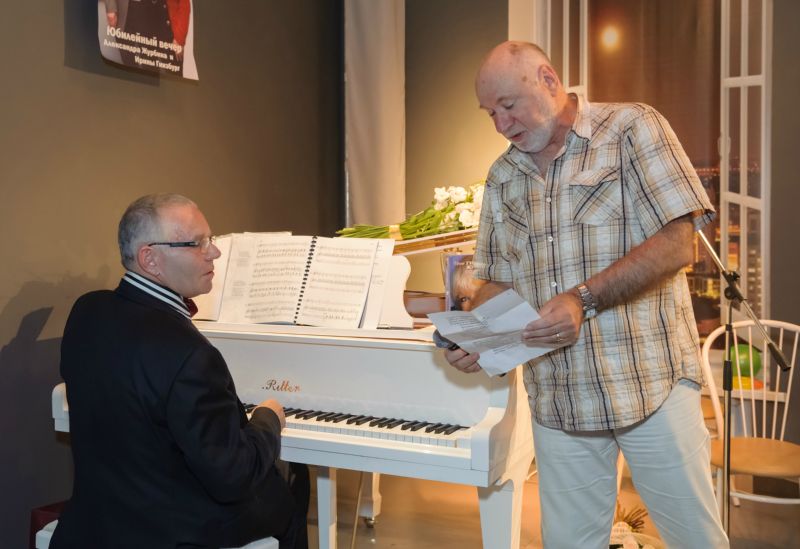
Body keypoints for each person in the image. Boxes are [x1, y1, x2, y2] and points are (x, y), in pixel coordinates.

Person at [444, 41, 729, 548]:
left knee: (697, 541)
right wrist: (476, 336)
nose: (501, 125)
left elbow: (677, 242)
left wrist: (583, 298)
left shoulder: (632, 128)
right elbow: (498, 281)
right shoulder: (503, 176)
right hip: (560, 400)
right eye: (491, 113)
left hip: (650, 384)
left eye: (508, 105)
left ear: (548, 80)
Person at [51, 194, 309, 549]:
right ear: (150, 259)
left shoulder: (86, 311)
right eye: (196, 243)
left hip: (99, 513)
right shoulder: (189, 353)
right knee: (287, 495)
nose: (214, 252)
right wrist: (267, 419)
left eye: (210, 239)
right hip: (168, 530)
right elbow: (232, 476)